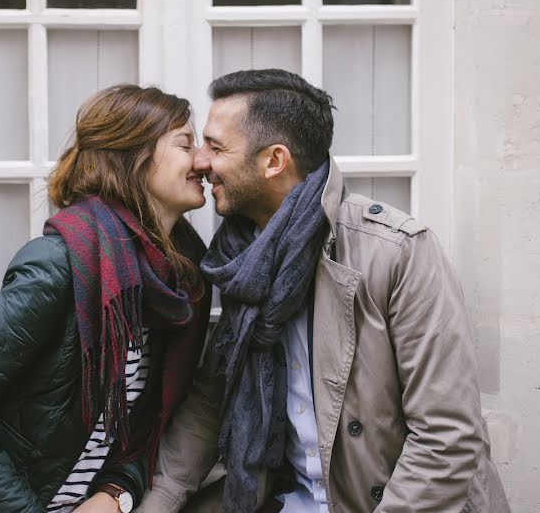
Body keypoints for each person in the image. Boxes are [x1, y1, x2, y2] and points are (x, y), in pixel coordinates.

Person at [138, 69, 509, 512]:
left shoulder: (397, 252)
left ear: (274, 161)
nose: (199, 161)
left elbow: (447, 438)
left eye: (216, 147)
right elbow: (210, 402)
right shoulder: (239, 259)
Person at [0, 85, 213, 513]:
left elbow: (142, 426)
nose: (202, 159)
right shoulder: (59, 263)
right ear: (134, 156)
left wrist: (116, 495)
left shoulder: (180, 280)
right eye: (186, 144)